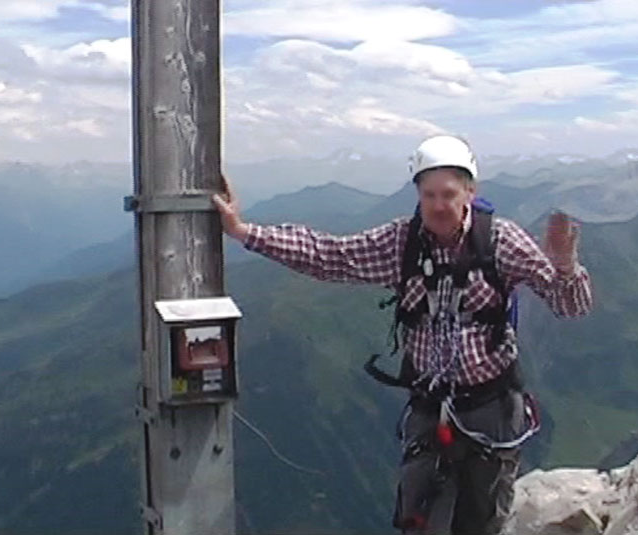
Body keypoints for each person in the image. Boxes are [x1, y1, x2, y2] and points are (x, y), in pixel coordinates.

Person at [213, 135, 594, 535]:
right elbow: (331, 256)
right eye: (429, 194)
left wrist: (566, 267)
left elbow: (571, 306)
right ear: (417, 194)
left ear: (470, 192)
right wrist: (243, 232)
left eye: (448, 193)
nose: (439, 205)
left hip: (491, 407)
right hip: (430, 407)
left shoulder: (502, 242)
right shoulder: (402, 243)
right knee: (419, 518)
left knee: (481, 521)